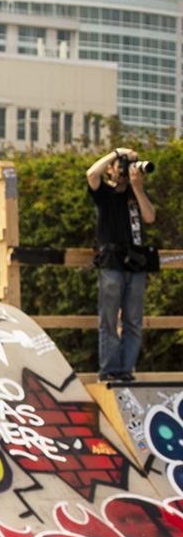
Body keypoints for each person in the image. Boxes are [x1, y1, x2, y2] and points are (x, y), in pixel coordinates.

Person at [86, 147, 159, 384]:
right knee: (108, 319)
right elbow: (91, 174)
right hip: (111, 263)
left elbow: (149, 217)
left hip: (136, 264)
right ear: (111, 169)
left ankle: (126, 371)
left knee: (133, 321)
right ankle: (109, 370)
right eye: (122, 168)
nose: (126, 172)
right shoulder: (104, 193)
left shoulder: (135, 192)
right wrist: (116, 153)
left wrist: (137, 186)